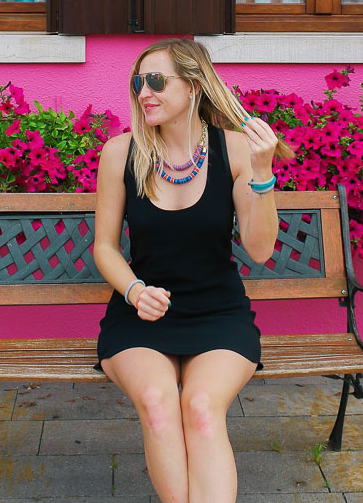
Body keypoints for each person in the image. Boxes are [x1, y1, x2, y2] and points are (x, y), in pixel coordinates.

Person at [94, 38, 293, 503]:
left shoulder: (237, 150)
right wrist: (133, 289)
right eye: (139, 82)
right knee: (159, 406)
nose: (145, 92)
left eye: (158, 81)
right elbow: (104, 247)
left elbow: (260, 250)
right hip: (140, 317)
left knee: (202, 409)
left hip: (219, 313)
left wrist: (262, 171)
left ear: (195, 86)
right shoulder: (120, 154)